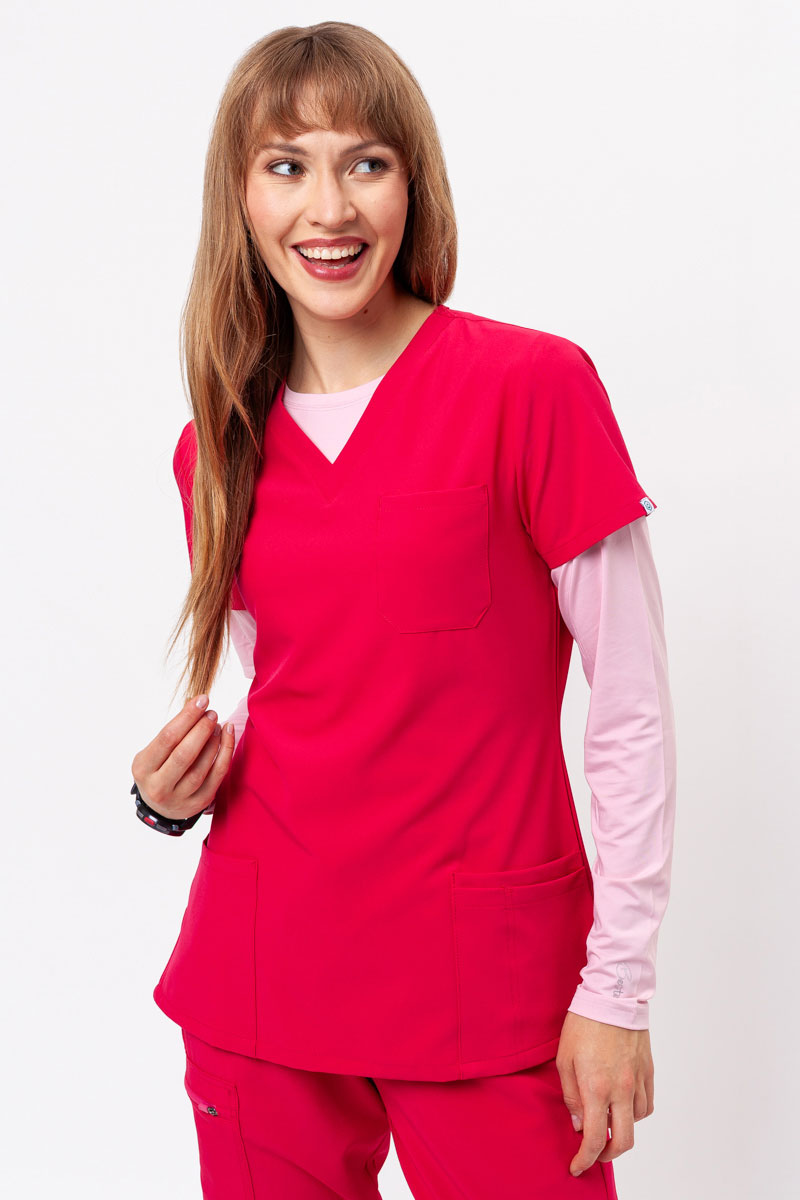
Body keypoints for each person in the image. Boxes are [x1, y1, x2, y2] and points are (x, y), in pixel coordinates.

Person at [130, 20, 676, 1200]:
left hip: (488, 989)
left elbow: (628, 707)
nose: (328, 208)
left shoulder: (532, 389)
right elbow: (279, 694)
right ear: (240, 198)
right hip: (260, 979)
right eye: (287, 166)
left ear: (411, 184)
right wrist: (168, 797)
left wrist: (617, 989)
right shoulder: (213, 449)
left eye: (364, 163)